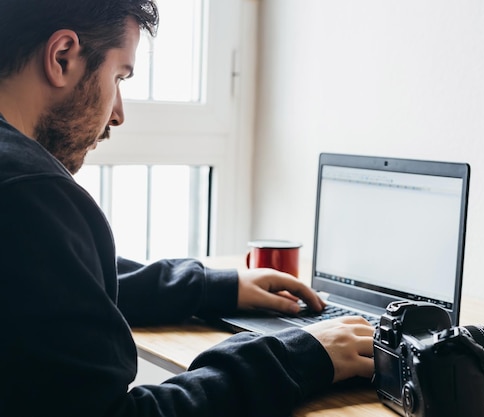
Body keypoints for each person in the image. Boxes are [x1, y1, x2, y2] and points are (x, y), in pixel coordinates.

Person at [0, 1, 374, 416]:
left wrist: (214, 287)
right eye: (119, 76)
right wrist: (297, 358)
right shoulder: (31, 193)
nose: (118, 113)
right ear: (62, 56)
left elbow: (59, 283)